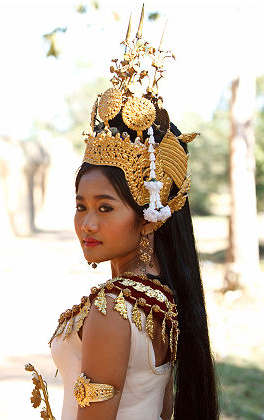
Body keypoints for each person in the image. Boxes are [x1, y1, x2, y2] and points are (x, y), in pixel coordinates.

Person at [47, 10, 219, 420]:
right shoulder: (161, 298)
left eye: (106, 208)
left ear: (150, 216)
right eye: (81, 206)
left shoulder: (112, 310)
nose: (87, 224)